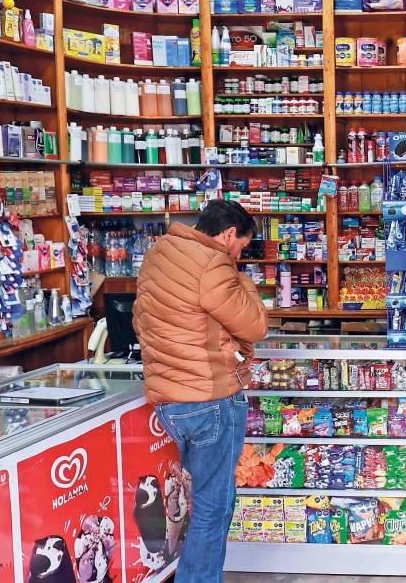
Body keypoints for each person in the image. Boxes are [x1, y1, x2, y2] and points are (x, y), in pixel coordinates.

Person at [132, 200, 269, 583]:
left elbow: (142, 318)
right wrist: (243, 280)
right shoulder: (214, 264)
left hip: (169, 404)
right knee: (212, 508)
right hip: (209, 400)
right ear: (228, 235)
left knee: (196, 501)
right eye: (241, 247)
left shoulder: (159, 253)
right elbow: (255, 326)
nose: (238, 255)